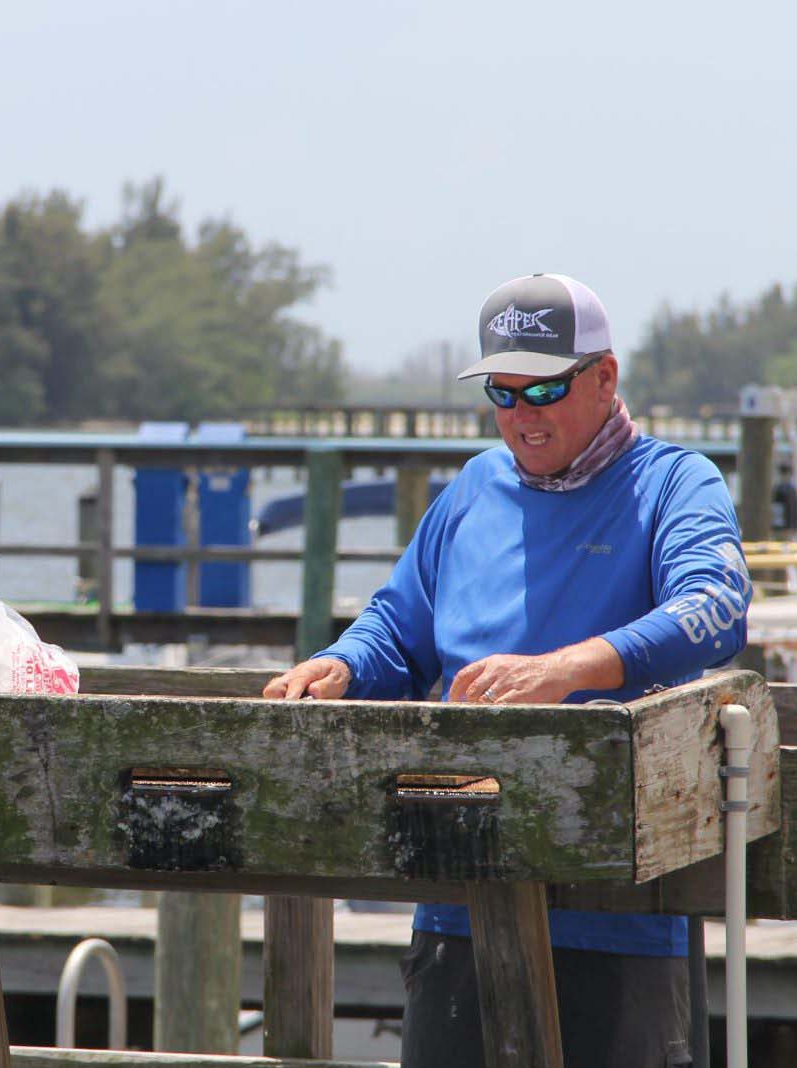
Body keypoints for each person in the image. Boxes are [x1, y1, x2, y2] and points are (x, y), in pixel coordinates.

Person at [264, 273, 750, 1067]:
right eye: (503, 392)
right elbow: (398, 628)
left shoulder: (674, 483)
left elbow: (717, 606)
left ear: (605, 378)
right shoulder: (472, 489)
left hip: (620, 910)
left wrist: (569, 669)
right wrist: (338, 665)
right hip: (456, 897)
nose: (523, 414)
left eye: (546, 389)